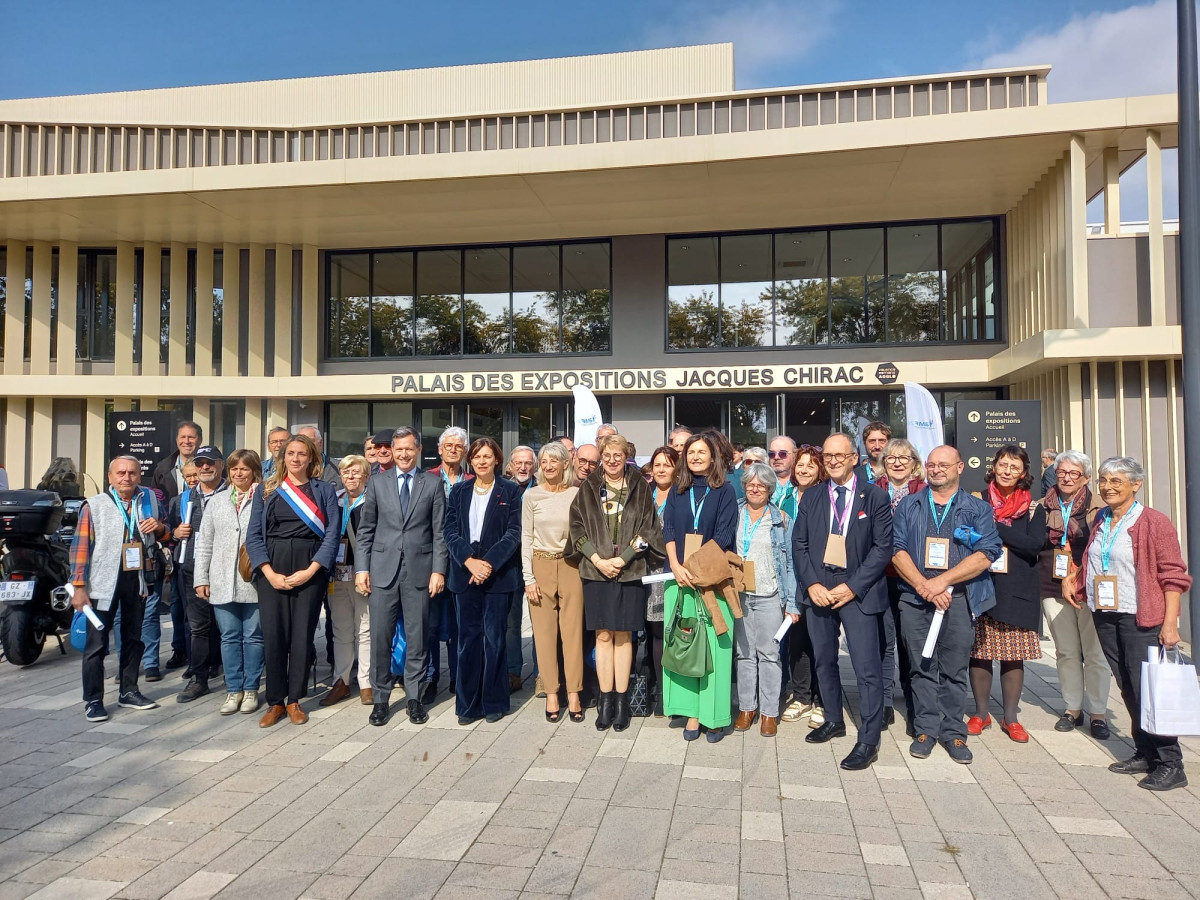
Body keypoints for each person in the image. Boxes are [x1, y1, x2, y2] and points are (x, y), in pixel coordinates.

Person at [1064, 457, 1192, 791]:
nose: (1107, 487)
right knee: (1127, 685)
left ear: (1136, 484)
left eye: (1116, 481)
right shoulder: (1102, 518)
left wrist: (1170, 624)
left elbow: (1174, 576)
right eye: (1104, 480)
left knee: (1149, 688)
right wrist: (1076, 580)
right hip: (1106, 613)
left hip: (1142, 617)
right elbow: (1094, 558)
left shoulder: (1154, 522)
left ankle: (1171, 762)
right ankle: (1145, 751)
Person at [892, 445, 1002, 764]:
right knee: (920, 665)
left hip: (959, 598)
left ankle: (953, 732)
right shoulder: (909, 504)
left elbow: (987, 552)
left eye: (943, 464)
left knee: (954, 670)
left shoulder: (976, 508)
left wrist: (943, 582)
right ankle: (925, 728)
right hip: (915, 598)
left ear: (959, 467)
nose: (936, 469)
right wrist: (924, 586)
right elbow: (897, 550)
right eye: (930, 464)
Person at [793, 433, 892, 769]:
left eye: (840, 455)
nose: (833, 460)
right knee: (824, 660)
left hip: (857, 591)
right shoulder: (812, 496)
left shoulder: (874, 497)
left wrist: (852, 587)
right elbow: (800, 546)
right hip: (820, 589)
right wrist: (813, 585)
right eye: (828, 455)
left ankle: (869, 739)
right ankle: (833, 719)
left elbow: (883, 549)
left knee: (866, 668)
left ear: (854, 458)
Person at [570, 433, 664, 732]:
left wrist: (622, 559)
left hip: (630, 570)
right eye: (607, 456)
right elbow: (576, 526)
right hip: (595, 571)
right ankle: (605, 700)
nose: (612, 461)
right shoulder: (588, 487)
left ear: (626, 457)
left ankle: (622, 701)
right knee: (603, 636)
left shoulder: (640, 487)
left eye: (618, 456)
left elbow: (649, 529)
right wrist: (598, 560)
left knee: (624, 636)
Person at [245, 434, 340, 727]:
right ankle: (275, 702)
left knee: (302, 637)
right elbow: (253, 537)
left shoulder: (323, 490)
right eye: (291, 453)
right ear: (282, 457)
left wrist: (311, 571)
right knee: (274, 637)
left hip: (308, 569)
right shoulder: (266, 490)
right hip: (272, 568)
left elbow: (332, 535)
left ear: (311, 458)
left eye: (302, 454)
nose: (296, 458)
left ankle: (295, 700)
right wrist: (269, 573)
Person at [355, 426, 447, 727]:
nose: (404, 454)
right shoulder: (377, 483)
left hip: (419, 573)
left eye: (409, 448)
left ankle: (414, 699)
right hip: (382, 571)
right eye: (399, 449)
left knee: (418, 639)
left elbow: (439, 534)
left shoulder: (432, 484)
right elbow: (366, 530)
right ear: (391, 452)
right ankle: (380, 700)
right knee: (380, 637)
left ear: (419, 449)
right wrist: (362, 569)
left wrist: (438, 570)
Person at [69, 455, 168, 722]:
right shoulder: (95, 505)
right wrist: (78, 586)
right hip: (102, 583)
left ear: (139, 476)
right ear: (110, 477)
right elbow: (80, 548)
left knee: (134, 639)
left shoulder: (149, 500)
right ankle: (92, 699)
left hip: (137, 580)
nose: (127, 477)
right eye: (121, 472)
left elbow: (166, 534)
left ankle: (129, 690)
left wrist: (159, 527)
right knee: (96, 645)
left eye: (132, 473)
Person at [661, 432, 738, 742]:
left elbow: (723, 536)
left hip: (712, 581)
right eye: (690, 452)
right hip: (678, 578)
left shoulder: (725, 491)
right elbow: (667, 530)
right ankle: (691, 712)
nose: (694, 457)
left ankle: (715, 716)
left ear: (713, 457)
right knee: (685, 645)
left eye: (701, 452)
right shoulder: (677, 492)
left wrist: (694, 568)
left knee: (716, 650)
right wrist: (677, 566)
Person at [967, 445, 1047, 743]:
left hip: (1018, 588)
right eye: (1003, 464)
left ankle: (1011, 718)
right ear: (994, 466)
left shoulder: (1036, 507)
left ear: (1024, 473)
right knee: (980, 653)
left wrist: (994, 526)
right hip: (981, 583)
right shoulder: (976, 500)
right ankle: (980, 712)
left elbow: (1032, 545)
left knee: (1013, 656)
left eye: (1014, 467)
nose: (1007, 471)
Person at [443, 437, 523, 724]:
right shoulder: (459, 491)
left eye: (487, 456)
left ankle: (494, 702)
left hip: (497, 576)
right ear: (470, 460)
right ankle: (467, 705)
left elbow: (514, 533)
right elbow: (450, 531)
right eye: (477, 456)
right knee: (467, 641)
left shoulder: (510, 491)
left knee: (495, 640)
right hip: (465, 574)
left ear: (497, 460)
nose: (481, 461)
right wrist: (469, 561)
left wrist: (488, 563)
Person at [1039, 450, 1110, 737]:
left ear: (1086, 478)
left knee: (1094, 653)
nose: (1067, 478)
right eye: (1062, 472)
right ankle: (1072, 708)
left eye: (1074, 473)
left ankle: (1098, 714)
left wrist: (1077, 574)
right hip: (1051, 583)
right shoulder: (1041, 506)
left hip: (1089, 584)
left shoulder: (1102, 506)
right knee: (1066, 651)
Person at [194, 449, 263, 716]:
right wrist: (201, 577)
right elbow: (205, 543)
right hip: (221, 580)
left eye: (244, 469)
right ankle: (233, 690)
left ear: (254, 471)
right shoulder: (217, 501)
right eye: (234, 469)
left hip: (253, 581)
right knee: (229, 637)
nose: (238, 473)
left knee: (254, 637)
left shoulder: (264, 499)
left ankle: (251, 689)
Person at [733, 462, 797, 739]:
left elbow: (792, 563)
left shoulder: (781, 519)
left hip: (770, 595)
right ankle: (747, 707)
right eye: (750, 483)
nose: (755, 488)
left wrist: (793, 603)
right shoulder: (733, 513)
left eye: (761, 484)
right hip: (739, 595)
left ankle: (770, 712)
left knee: (769, 655)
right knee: (744, 654)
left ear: (770, 489)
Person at [521, 441, 584, 722]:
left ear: (564, 464)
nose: (548, 466)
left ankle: (574, 693)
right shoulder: (531, 497)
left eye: (553, 461)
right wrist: (528, 578)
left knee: (572, 634)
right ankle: (552, 693)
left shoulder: (576, 494)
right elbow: (526, 538)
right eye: (544, 461)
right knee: (545, 636)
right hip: (541, 565)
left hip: (571, 566)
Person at [875, 437, 926, 733]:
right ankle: (883, 704)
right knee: (883, 641)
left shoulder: (925, 492)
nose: (896, 463)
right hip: (880, 577)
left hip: (912, 579)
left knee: (910, 642)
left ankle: (914, 703)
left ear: (914, 464)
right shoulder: (873, 491)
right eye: (891, 458)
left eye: (903, 458)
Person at [173, 445, 227, 703]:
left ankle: (236, 679)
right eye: (200, 463)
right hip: (193, 571)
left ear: (221, 465)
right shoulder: (185, 498)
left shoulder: (233, 493)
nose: (205, 467)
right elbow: (170, 532)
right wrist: (173, 533)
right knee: (198, 627)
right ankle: (200, 679)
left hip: (228, 570)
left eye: (210, 462)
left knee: (230, 627)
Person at [423, 426, 472, 702]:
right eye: (448, 446)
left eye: (458, 446)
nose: (453, 450)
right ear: (439, 449)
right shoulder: (426, 479)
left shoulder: (474, 480)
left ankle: (458, 675)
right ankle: (430, 676)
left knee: (459, 623)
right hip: (430, 562)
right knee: (429, 623)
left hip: (463, 562)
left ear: (465, 451)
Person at [781, 444, 827, 727]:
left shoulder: (825, 497)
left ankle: (822, 699)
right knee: (796, 641)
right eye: (800, 464)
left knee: (821, 642)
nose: (804, 469)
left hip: (818, 579)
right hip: (790, 580)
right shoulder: (784, 497)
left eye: (811, 464)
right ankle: (801, 696)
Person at [321, 454, 372, 707]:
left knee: (365, 630)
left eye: (355, 472)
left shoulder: (372, 501)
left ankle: (366, 682)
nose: (350, 477)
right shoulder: (334, 500)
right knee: (340, 630)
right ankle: (341, 680)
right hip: (337, 574)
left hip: (364, 574)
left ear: (366, 475)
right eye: (345, 473)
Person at [643, 445, 679, 716]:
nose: (662, 469)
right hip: (645, 573)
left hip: (673, 572)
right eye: (657, 465)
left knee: (671, 633)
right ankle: (656, 689)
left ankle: (672, 691)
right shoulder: (645, 496)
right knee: (653, 633)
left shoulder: (682, 495)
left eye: (668, 464)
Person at [504, 444, 538, 692]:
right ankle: (512, 672)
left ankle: (541, 674)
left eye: (528, 463)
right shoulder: (503, 489)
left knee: (540, 623)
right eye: (519, 463)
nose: (523, 467)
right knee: (511, 623)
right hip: (511, 564)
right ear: (511, 465)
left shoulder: (542, 489)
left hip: (538, 563)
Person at [163, 461, 200, 673]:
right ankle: (188, 655)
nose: (192, 479)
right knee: (185, 613)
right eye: (188, 477)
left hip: (205, 561)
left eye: (195, 475)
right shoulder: (177, 501)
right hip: (183, 562)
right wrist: (175, 533)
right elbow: (170, 531)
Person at [151, 420, 202, 501]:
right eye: (183, 437)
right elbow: (154, 498)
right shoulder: (163, 469)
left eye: (191, 437)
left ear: (200, 440)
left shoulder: (210, 467)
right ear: (177, 440)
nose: (186, 441)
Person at [296, 425, 344, 489]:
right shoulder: (291, 469)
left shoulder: (339, 467)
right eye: (301, 441)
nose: (306, 445)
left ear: (320, 443)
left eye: (310, 441)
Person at [767, 436, 798, 518]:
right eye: (772, 454)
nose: (776, 457)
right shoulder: (762, 482)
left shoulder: (803, 483)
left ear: (794, 456)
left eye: (783, 454)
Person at [857, 421, 892, 485]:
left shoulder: (897, 472)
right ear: (864, 443)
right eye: (872, 441)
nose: (877, 446)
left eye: (882, 441)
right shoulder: (855, 476)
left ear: (889, 443)